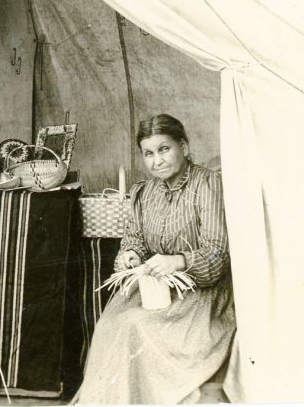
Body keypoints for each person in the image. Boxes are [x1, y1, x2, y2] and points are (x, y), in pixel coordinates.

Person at [74, 114, 235, 404]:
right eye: (148, 153)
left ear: (183, 147)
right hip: (156, 286)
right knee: (111, 324)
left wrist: (179, 261)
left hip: (200, 291)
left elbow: (218, 252)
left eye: (164, 149)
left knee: (136, 324)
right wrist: (130, 255)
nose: (156, 161)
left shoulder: (208, 185)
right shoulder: (143, 192)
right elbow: (134, 239)